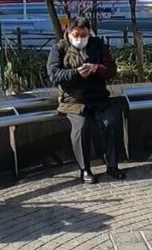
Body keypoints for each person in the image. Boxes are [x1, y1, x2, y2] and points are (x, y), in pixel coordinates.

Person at [47, 18, 123, 185]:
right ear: (68, 32)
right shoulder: (59, 48)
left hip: (98, 98)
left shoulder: (98, 45)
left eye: (84, 34)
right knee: (81, 128)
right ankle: (85, 169)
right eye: (77, 34)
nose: (80, 38)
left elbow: (112, 70)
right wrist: (76, 73)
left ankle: (112, 165)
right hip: (73, 101)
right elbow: (53, 74)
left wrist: (97, 69)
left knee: (109, 123)